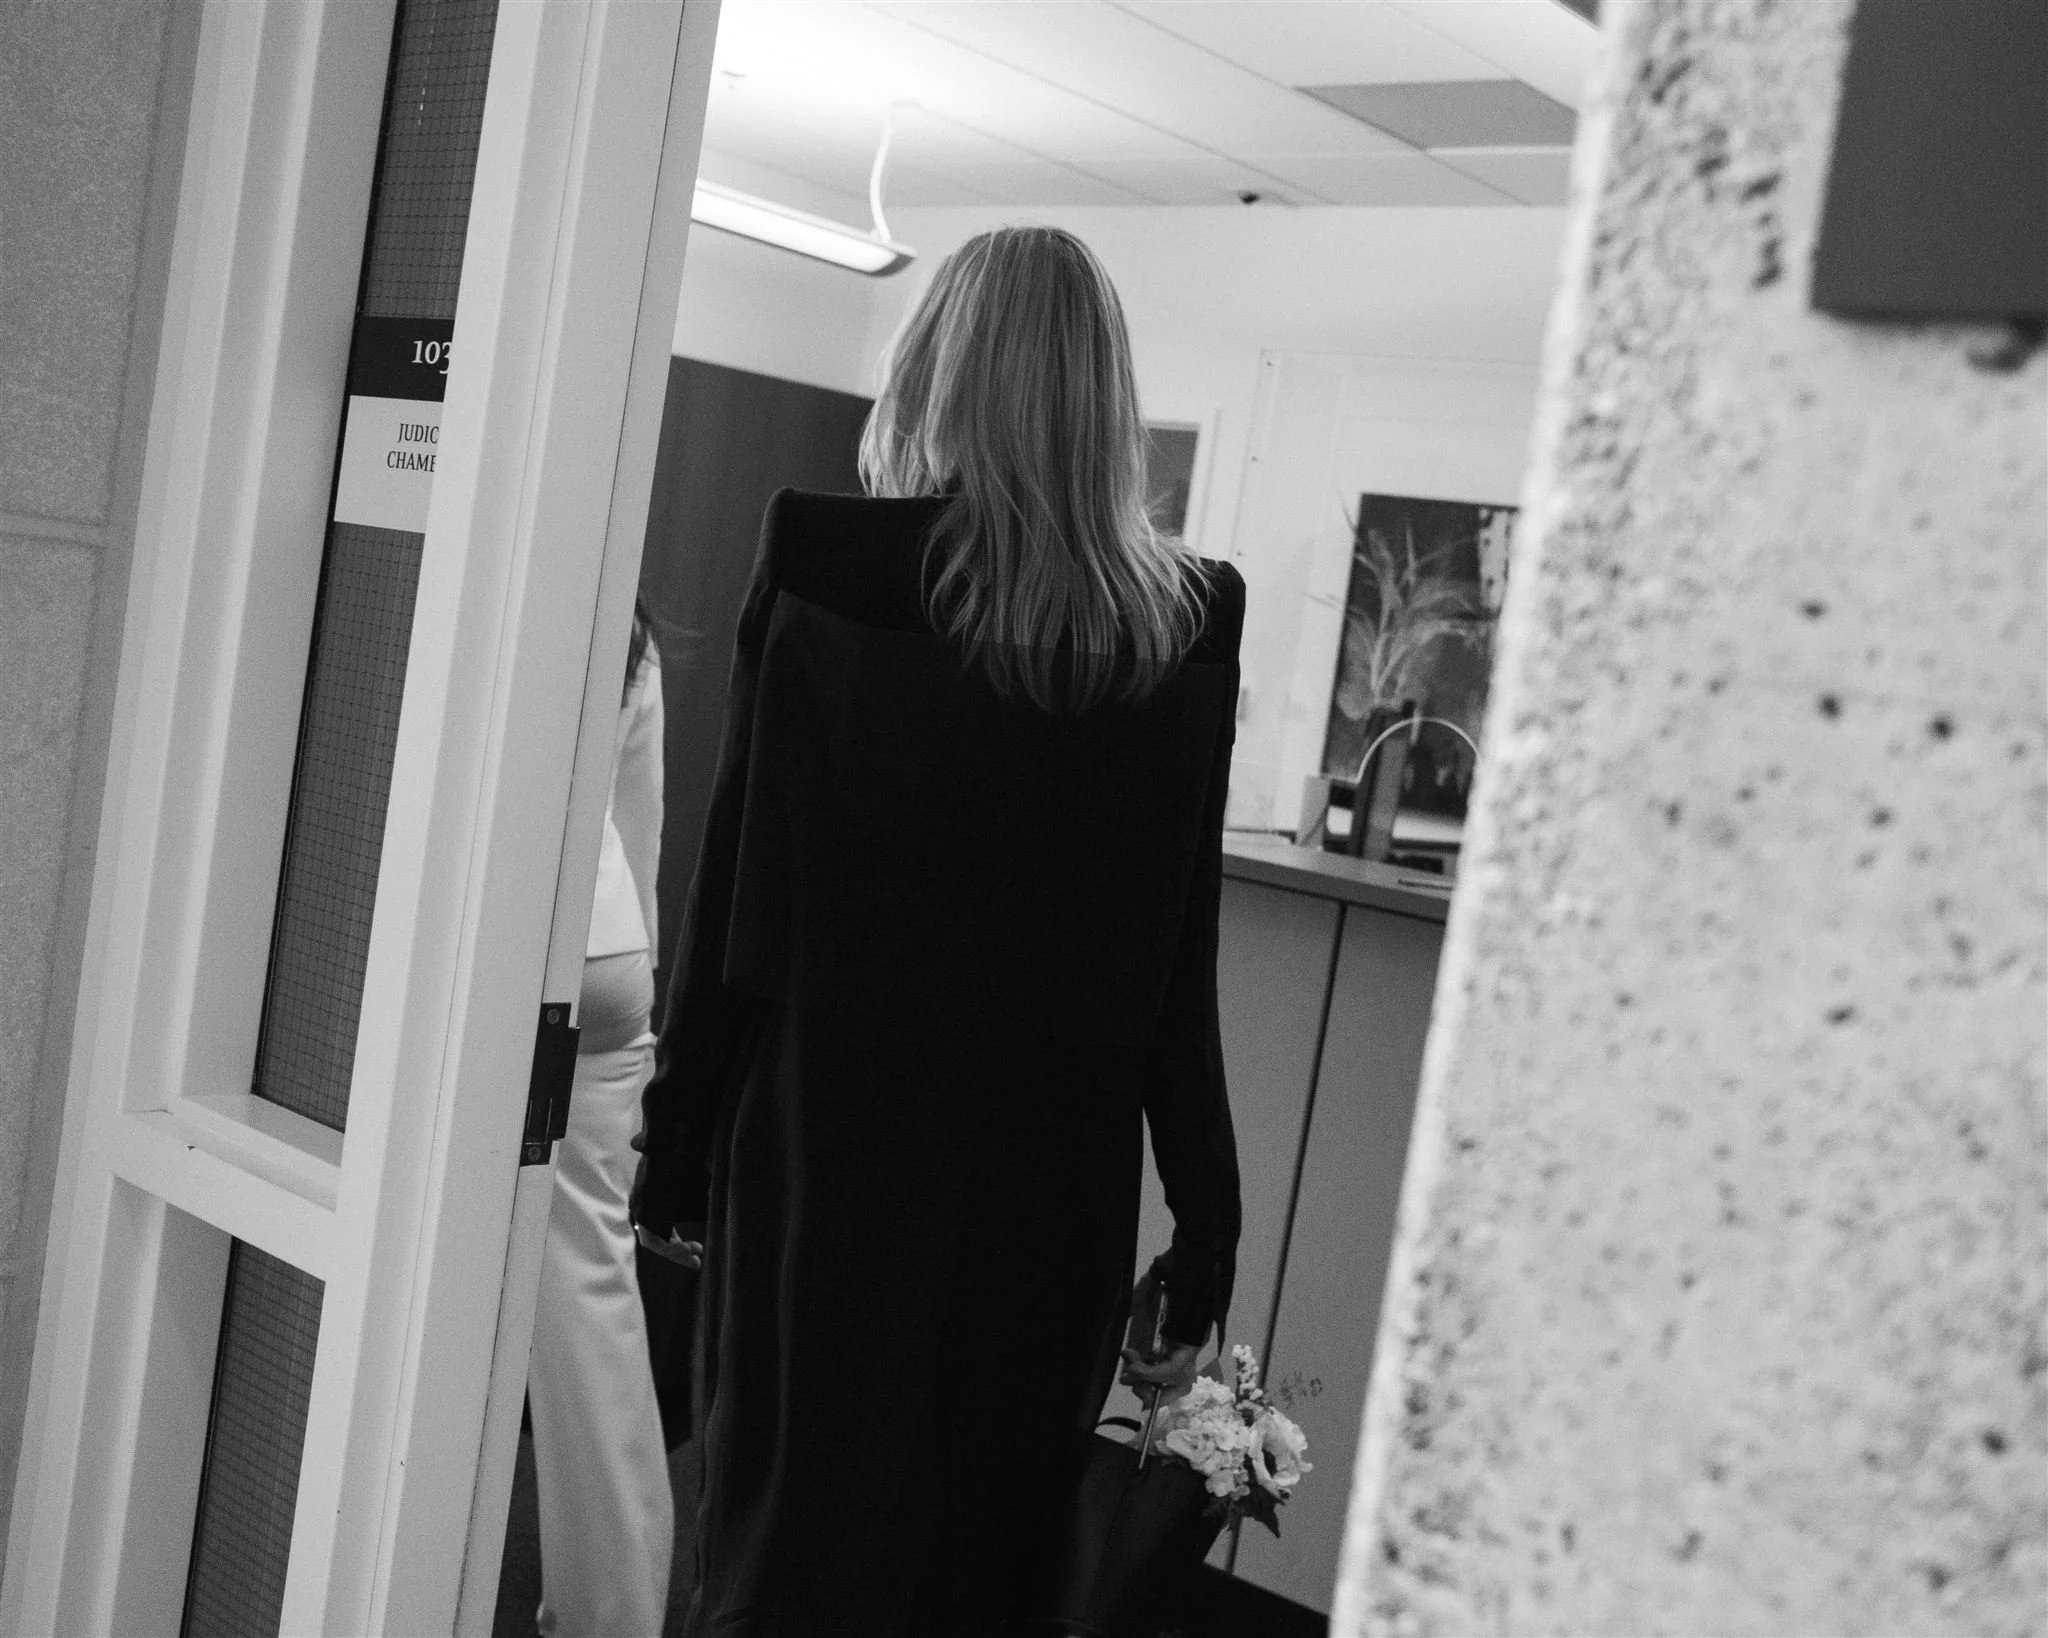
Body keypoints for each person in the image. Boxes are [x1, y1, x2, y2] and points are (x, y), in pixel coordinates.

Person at [633, 225, 1244, 1637]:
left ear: (937, 370)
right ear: (1104, 398)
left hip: (829, 1152)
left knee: (796, 1547)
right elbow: (1177, 971)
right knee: (990, 1573)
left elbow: (736, 889)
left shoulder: (829, 553)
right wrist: (1201, 1232)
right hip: (1053, 1189)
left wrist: (678, 1140)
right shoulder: (1185, 623)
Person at [527, 597, 674, 1637]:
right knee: (589, 1292)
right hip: (608, 949)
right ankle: (610, 1616)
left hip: (509, 948)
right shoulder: (621, 614)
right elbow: (639, 824)